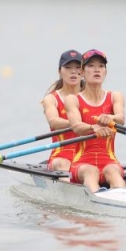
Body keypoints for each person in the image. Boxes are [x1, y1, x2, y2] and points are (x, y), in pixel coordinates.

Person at [65, 49, 126, 193]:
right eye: (91, 66)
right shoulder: (73, 99)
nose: (96, 70)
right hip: (82, 164)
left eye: (101, 66)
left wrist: (110, 118)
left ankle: (123, 197)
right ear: (82, 72)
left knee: (113, 172)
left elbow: (121, 119)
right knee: (90, 172)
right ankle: (97, 198)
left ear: (105, 72)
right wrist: (93, 128)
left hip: (110, 161)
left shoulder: (115, 96)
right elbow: (76, 126)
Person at [42, 49, 84, 179]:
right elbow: (54, 122)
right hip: (62, 155)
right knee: (64, 164)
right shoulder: (51, 99)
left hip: (87, 154)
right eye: (68, 67)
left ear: (83, 72)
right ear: (60, 71)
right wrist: (80, 125)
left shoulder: (92, 97)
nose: (73, 71)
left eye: (78, 67)